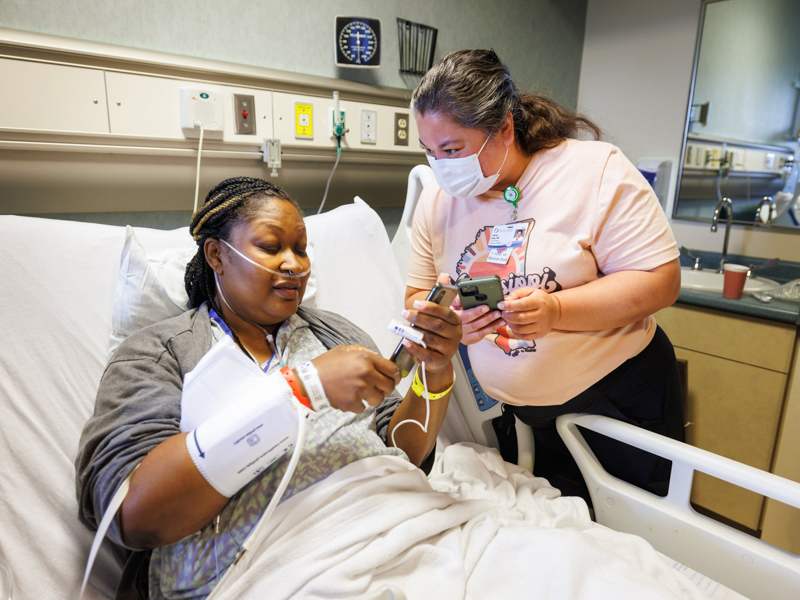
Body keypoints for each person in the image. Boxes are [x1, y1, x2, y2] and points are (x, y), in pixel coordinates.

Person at [75, 177, 461, 599]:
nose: (295, 264)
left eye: (301, 248)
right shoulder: (158, 352)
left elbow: (402, 450)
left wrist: (435, 371)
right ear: (217, 255)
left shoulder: (335, 334)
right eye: (272, 247)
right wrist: (302, 388)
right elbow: (133, 514)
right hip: (271, 567)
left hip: (398, 526)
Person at [405, 49, 685, 503]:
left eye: (452, 149)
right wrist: (452, 322)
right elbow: (418, 293)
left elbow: (658, 279)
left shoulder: (593, 172)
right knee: (568, 540)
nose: (441, 166)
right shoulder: (437, 203)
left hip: (618, 402)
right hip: (525, 417)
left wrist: (556, 310)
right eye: (430, 151)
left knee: (639, 537)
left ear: (504, 129)